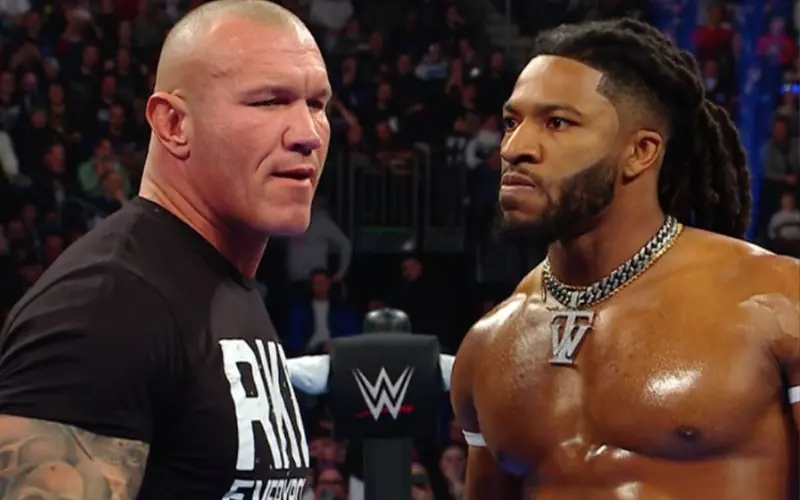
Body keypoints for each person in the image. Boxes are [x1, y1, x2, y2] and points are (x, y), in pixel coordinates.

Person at [450, 18, 800, 499]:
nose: (515, 148)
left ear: (640, 152)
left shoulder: (776, 301)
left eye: (557, 123)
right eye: (512, 122)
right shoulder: (488, 346)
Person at [0, 0, 332, 498]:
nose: (307, 134)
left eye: (317, 104)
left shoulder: (217, 285)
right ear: (174, 124)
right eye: (268, 101)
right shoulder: (106, 307)